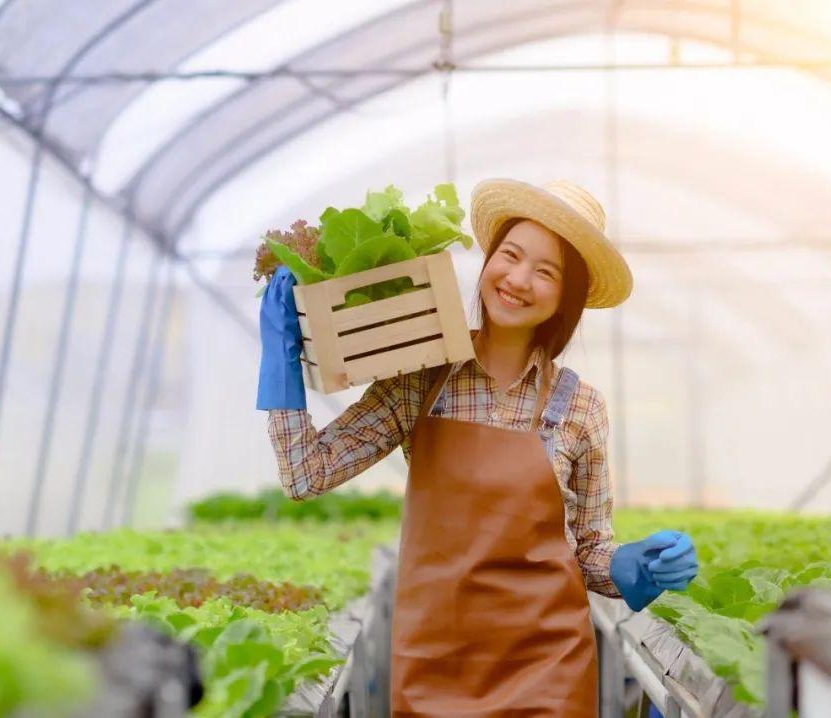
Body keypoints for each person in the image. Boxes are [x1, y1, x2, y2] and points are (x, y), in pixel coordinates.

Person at [257, 179, 699, 716]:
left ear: (567, 298)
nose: (518, 279)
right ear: (488, 261)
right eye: (510, 256)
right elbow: (307, 475)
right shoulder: (421, 377)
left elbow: (589, 553)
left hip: (548, 673)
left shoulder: (580, 407)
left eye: (546, 271)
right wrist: (281, 364)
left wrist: (634, 565)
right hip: (433, 667)